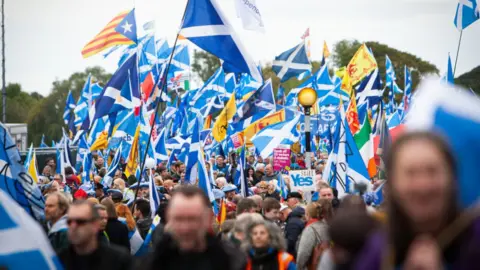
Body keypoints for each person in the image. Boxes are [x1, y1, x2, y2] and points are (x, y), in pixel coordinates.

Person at [355, 132, 480, 269]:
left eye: (432, 171)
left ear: (452, 177)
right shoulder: (377, 249)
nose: (423, 186)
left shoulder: (475, 238)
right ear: (391, 184)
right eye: (411, 173)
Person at [139, 185, 246, 270]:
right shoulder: (149, 264)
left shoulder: (233, 261)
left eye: (193, 219)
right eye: (179, 219)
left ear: (208, 219)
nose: (186, 228)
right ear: (168, 219)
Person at [58, 200, 133, 270]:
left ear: (95, 224)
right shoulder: (59, 259)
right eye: (69, 222)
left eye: (80, 221)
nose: (73, 226)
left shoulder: (118, 259)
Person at [296, 199, 333, 270]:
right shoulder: (327, 226)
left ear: (308, 214)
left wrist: (299, 268)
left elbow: (303, 253)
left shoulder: (310, 229)